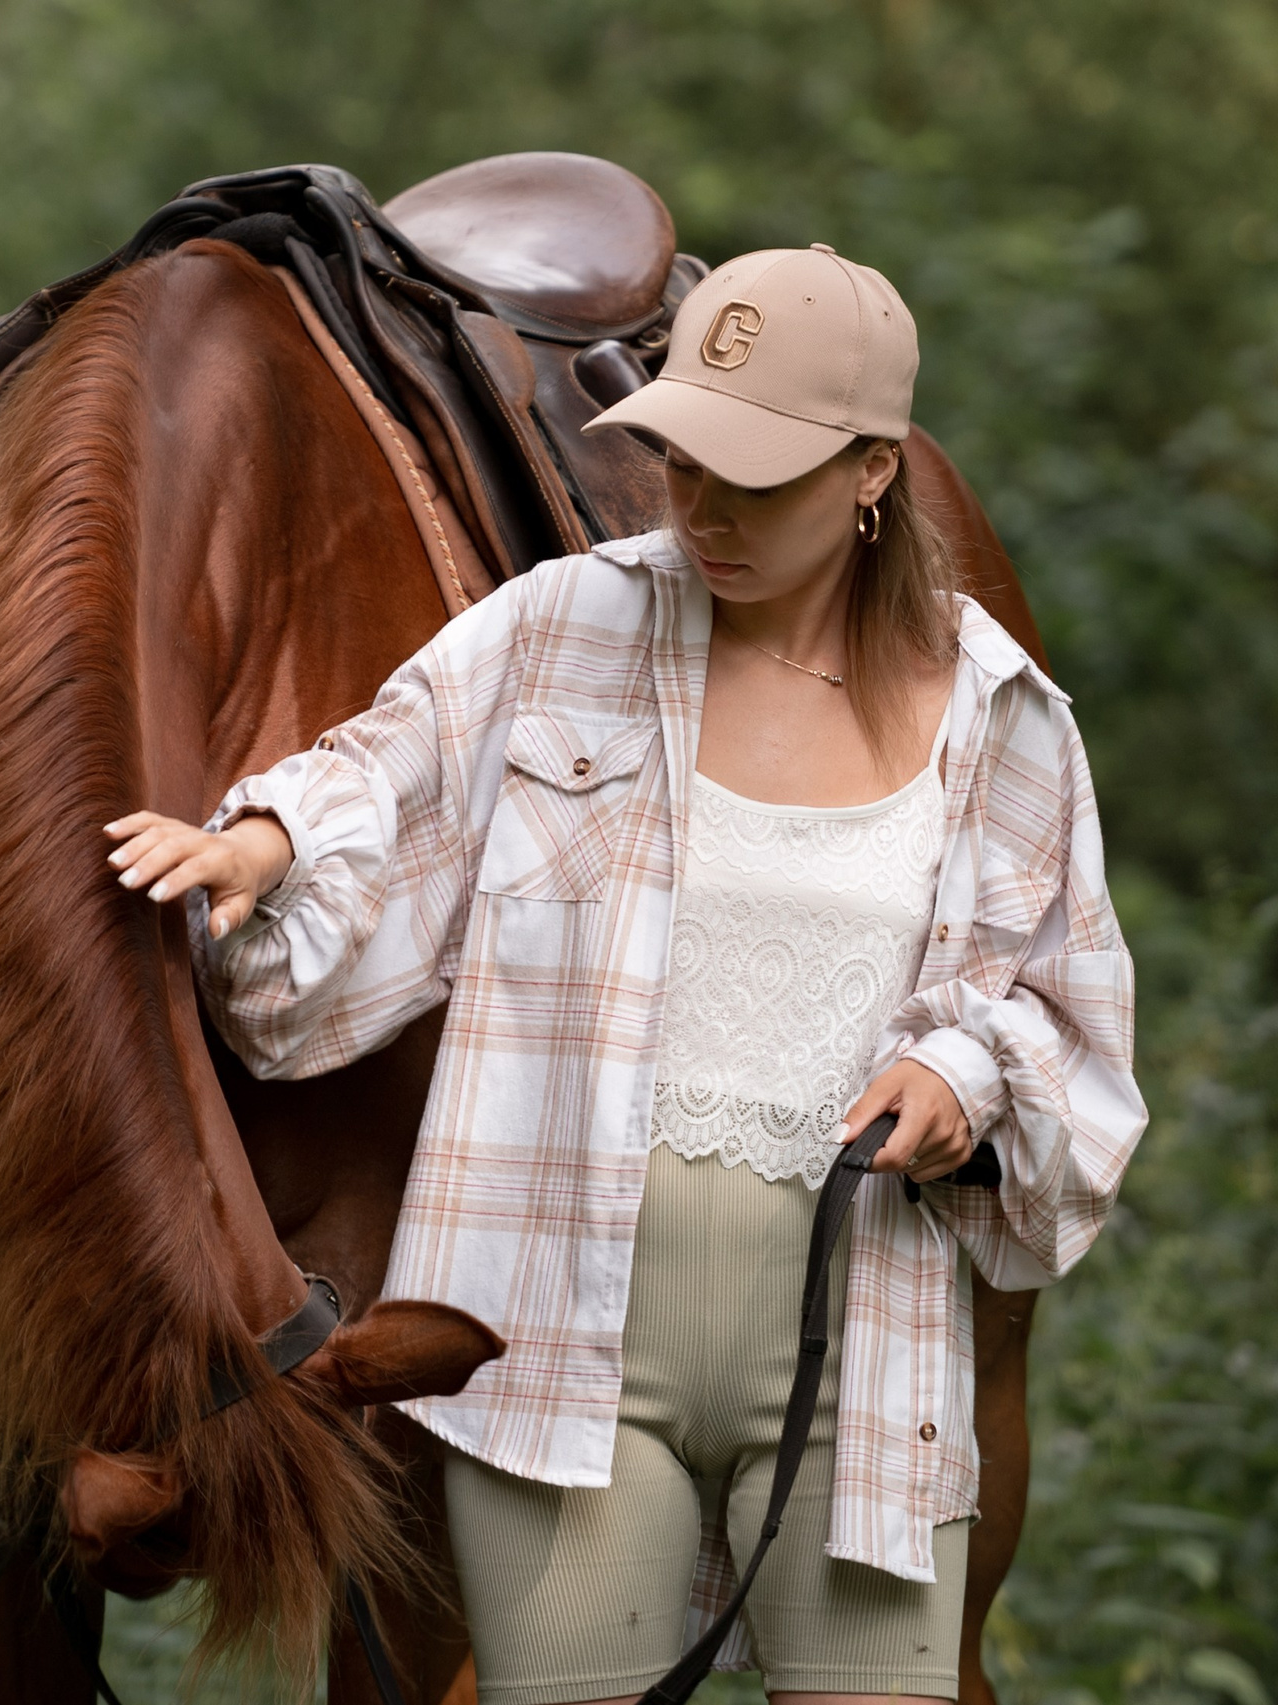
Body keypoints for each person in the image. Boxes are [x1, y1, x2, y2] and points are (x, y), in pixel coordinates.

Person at [103, 245, 1145, 1705]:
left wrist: (960, 1075)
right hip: (554, 1346)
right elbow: (389, 770)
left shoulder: (1000, 714)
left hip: (858, 1350)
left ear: (871, 471)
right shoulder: (561, 628)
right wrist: (263, 844)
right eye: (681, 464)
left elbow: (1061, 1010)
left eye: (753, 481)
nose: (700, 513)